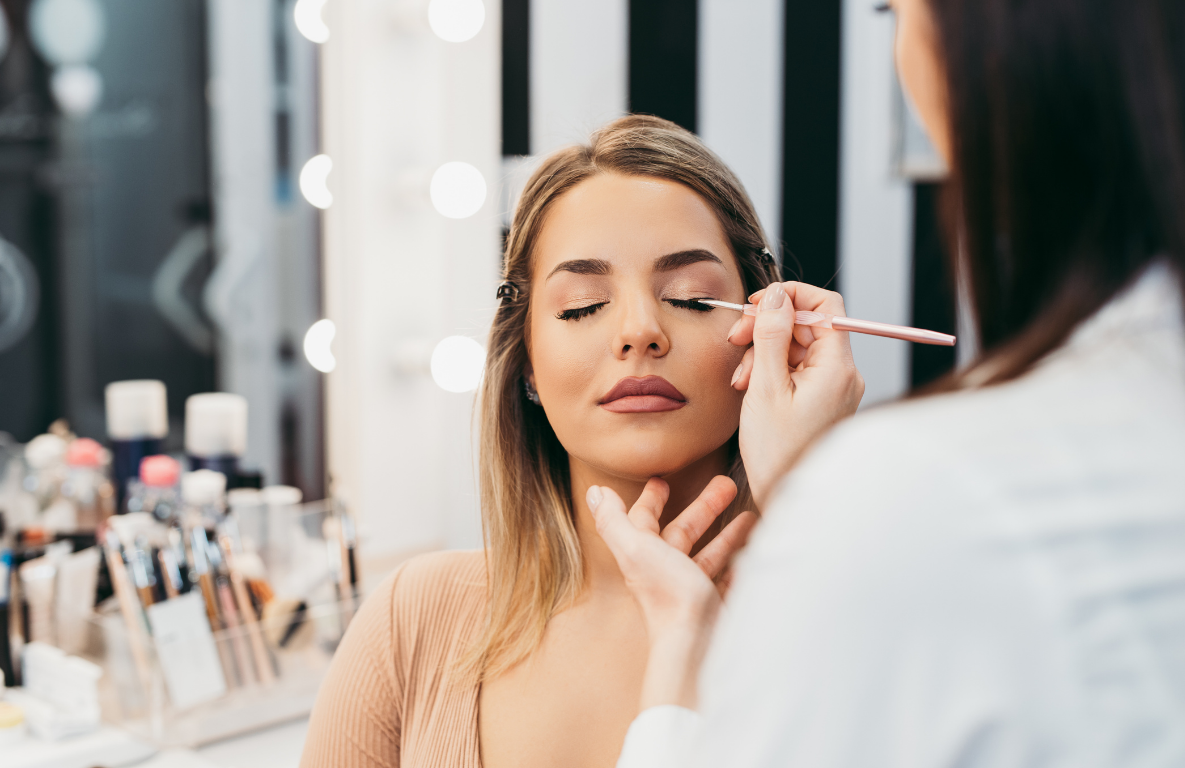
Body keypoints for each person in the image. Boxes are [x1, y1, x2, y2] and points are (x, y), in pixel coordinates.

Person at [590, 0, 1185, 765]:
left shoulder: (934, 506)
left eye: (895, 8)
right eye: (581, 305)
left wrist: (812, 509)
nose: (638, 332)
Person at [298, 115, 830, 768]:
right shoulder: (415, 619)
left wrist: (805, 483)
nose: (639, 331)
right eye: (581, 305)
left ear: (765, 326)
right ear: (525, 361)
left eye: (691, 298)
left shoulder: (839, 620)